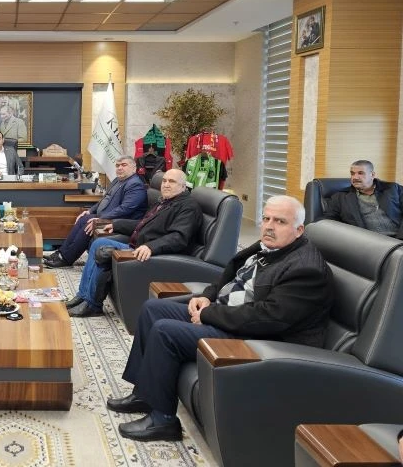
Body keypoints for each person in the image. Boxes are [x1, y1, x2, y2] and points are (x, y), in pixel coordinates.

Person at [107, 195, 333, 442]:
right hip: (229, 313)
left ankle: (163, 421)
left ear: (299, 230)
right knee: (153, 309)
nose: (269, 226)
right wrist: (207, 296)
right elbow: (230, 275)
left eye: (280, 221)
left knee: (165, 331)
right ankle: (145, 394)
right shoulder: (270, 246)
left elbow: (267, 318)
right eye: (266, 218)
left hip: (258, 337)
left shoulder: (306, 269)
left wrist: (208, 314)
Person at [66, 168, 202, 317]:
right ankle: (83, 295)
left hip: (155, 254)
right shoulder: (165, 201)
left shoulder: (188, 207)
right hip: (138, 246)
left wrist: (151, 247)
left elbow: (178, 237)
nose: (166, 184)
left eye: (172, 181)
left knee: (101, 247)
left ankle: (92, 305)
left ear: (183, 186)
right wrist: (116, 224)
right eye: (164, 181)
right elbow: (143, 224)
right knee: (98, 243)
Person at [43, 156, 146, 269]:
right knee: (84, 218)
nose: (120, 168)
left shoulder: (135, 184)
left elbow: (125, 209)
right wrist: (89, 211)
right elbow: (104, 200)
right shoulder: (117, 180)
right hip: (107, 216)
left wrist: (101, 219)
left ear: (133, 168)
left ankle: (66, 259)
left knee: (89, 224)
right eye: (117, 165)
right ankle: (61, 252)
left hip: (122, 221)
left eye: (124, 165)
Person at [321, 160, 403, 238]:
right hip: (367, 242)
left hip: (398, 239)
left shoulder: (393, 189)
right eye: (352, 173)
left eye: (360, 173)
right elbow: (329, 221)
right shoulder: (340, 197)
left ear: (372, 175)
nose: (355, 177)